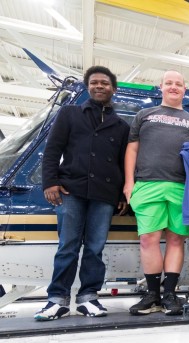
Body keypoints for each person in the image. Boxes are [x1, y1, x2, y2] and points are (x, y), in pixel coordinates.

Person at [35, 66, 130, 321]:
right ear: (89, 87)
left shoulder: (121, 125)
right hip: (72, 189)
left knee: (95, 249)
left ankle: (89, 297)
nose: (100, 86)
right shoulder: (70, 113)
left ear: (113, 88)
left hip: (105, 194)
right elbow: (52, 150)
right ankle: (57, 299)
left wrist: (122, 195)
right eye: (95, 82)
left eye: (105, 83)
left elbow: (122, 162)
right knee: (67, 246)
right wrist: (50, 182)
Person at [124, 70, 189, 316]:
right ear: (160, 87)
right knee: (148, 239)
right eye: (169, 83)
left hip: (182, 188)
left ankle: (170, 294)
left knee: (176, 239)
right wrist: (128, 183)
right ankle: (152, 295)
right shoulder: (145, 115)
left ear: (185, 89)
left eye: (178, 84)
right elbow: (132, 150)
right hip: (147, 184)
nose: (173, 87)